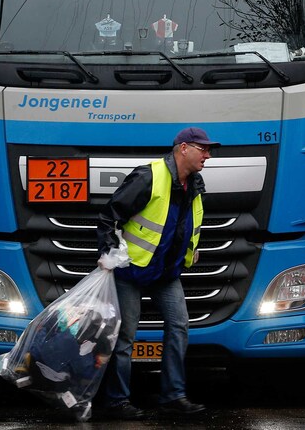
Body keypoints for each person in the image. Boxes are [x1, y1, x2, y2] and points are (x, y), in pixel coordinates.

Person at [94, 127, 215, 420]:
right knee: (125, 336)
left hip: (165, 272)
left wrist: (190, 250)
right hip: (131, 270)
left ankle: (173, 396)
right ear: (183, 148)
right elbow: (110, 215)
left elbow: (184, 225)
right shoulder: (149, 175)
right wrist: (109, 250)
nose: (208, 156)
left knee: (179, 325)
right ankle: (116, 401)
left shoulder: (194, 185)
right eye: (203, 149)